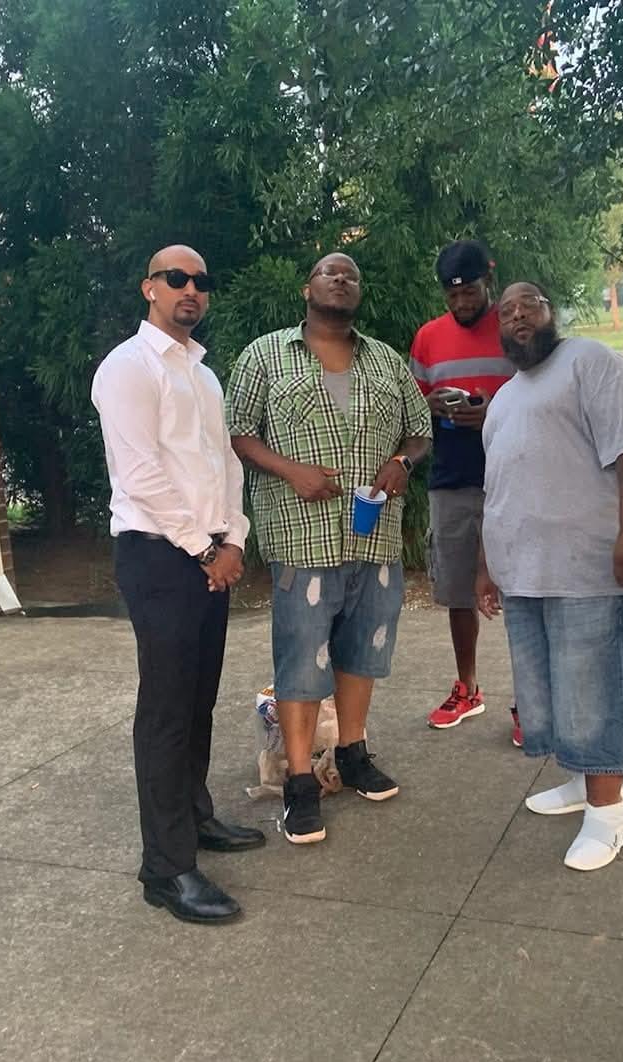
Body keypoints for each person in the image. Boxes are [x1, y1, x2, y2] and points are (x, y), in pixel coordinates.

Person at [225, 252, 432, 845]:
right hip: (301, 532)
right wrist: (291, 471)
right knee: (302, 657)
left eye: (351, 276)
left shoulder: (386, 360)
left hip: (374, 534)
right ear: (306, 288)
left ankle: (352, 752)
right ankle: (298, 784)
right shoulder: (264, 354)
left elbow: (418, 430)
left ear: (357, 293)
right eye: (329, 273)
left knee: (362, 650)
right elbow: (239, 432)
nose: (341, 280)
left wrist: (400, 461)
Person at [91, 244, 264, 926]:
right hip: (159, 557)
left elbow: (224, 465)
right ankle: (166, 869)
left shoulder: (202, 374)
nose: (191, 289)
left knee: (197, 700)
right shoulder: (128, 369)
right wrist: (203, 549)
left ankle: (194, 819)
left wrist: (234, 539)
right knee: (165, 712)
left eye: (201, 280)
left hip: (208, 554)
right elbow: (139, 475)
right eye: (176, 278)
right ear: (149, 288)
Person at [475, 282, 623, 872]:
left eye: (529, 303)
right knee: (551, 695)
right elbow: (496, 487)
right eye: (506, 311)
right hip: (523, 571)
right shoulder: (504, 397)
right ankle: (584, 782)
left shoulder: (590, 362)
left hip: (586, 566)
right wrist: (487, 567)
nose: (518, 315)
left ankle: (610, 812)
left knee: (592, 692)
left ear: (552, 313)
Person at [409, 240, 518, 738]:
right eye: (452, 296)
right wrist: (435, 406)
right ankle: (467, 687)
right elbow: (414, 407)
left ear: (488, 280)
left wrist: (490, 407)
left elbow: (538, 398)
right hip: (452, 476)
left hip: (514, 476)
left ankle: (530, 700)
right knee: (456, 589)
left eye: (470, 292)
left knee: (521, 586)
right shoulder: (428, 338)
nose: (461, 304)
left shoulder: (516, 330)